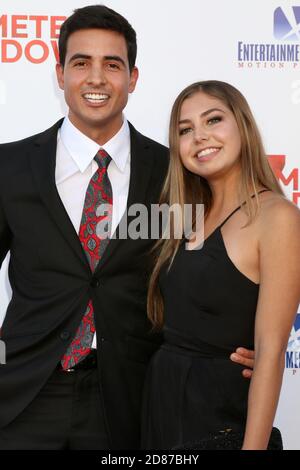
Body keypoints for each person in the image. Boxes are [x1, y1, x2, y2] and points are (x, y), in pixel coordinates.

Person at [0, 6, 254, 450]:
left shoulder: (176, 173)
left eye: (112, 64)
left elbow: (211, 270)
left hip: (132, 402)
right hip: (23, 396)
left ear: (133, 78)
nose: (96, 78)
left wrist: (238, 346)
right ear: (59, 74)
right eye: (81, 63)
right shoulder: (9, 166)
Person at [142, 80, 300, 450]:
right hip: (162, 409)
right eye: (185, 130)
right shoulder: (183, 217)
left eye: (213, 120)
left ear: (242, 125)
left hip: (221, 420)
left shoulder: (277, 218)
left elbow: (271, 350)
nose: (199, 136)